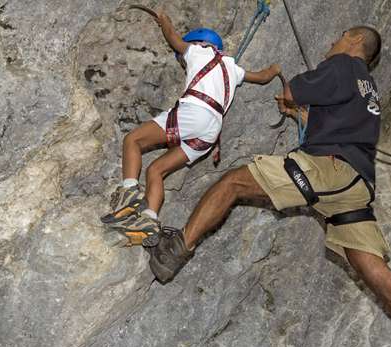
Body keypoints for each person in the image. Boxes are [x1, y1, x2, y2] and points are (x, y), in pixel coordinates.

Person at [144, 26, 391, 347]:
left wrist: (292, 95)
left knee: (231, 184)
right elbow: (328, 123)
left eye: (337, 37)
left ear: (352, 41)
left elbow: (292, 89)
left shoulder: (344, 65)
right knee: (373, 268)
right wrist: (302, 115)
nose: (331, 43)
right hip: (355, 184)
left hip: (328, 169)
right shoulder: (368, 87)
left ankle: (175, 250)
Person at [101, 10, 281, 246]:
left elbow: (173, 38)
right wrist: (275, 70)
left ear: (200, 43)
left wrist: (164, 21)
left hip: (195, 111)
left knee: (132, 140)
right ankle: (149, 220)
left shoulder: (197, 50)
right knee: (156, 170)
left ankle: (129, 193)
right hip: (211, 132)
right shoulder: (233, 69)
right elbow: (263, 77)